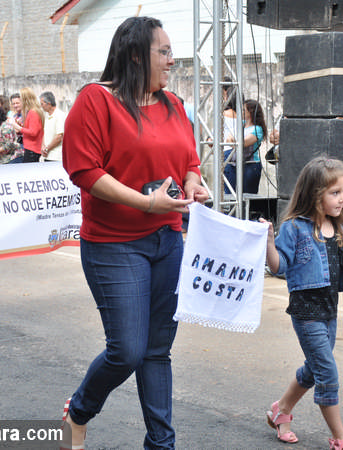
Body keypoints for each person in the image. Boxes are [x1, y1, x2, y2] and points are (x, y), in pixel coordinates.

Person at [61, 16, 208, 450]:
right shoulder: (96, 100)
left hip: (167, 240)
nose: (172, 60)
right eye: (163, 51)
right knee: (126, 350)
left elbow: (189, 161)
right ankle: (79, 412)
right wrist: (145, 203)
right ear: (135, 55)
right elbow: (85, 171)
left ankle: (162, 445)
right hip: (113, 244)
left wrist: (193, 183)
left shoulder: (173, 103)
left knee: (157, 350)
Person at [260, 156, 343, 450]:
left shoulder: (338, 229)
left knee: (315, 367)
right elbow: (279, 267)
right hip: (306, 313)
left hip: (328, 311)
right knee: (327, 373)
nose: (342, 198)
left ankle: (281, 410)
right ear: (314, 194)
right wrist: (269, 243)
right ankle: (340, 439)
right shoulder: (295, 228)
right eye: (335, 192)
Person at [223, 99, 267, 194]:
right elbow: (229, 138)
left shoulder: (257, 129)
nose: (241, 112)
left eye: (244, 110)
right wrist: (234, 141)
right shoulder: (241, 124)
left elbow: (242, 143)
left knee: (247, 194)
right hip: (235, 164)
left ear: (251, 112)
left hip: (250, 165)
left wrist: (234, 141)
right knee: (232, 193)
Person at [9, 87, 44, 163]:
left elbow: (33, 132)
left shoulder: (33, 112)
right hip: (31, 148)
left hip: (32, 149)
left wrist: (17, 127)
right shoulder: (33, 111)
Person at [39, 91, 65, 162]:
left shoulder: (59, 115)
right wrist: (43, 146)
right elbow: (45, 133)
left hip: (56, 157)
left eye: (42, 104)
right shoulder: (47, 116)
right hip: (47, 156)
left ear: (49, 104)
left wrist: (47, 149)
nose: (41, 106)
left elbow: (59, 136)